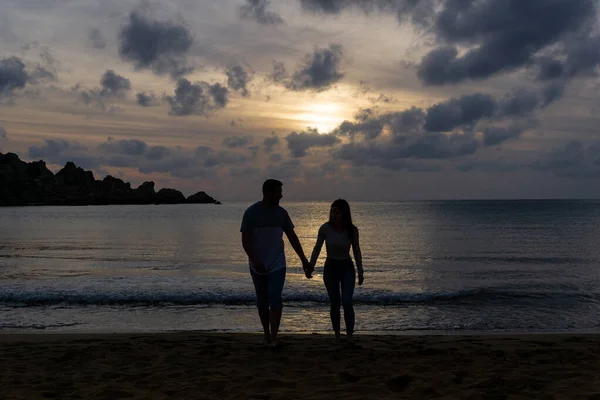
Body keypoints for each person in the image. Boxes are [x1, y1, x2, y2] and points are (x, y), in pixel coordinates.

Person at [241, 179, 314, 348]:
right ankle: (266, 334)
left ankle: (274, 337)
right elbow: (245, 241)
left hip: (277, 263)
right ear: (269, 193)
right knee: (261, 300)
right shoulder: (251, 213)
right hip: (257, 264)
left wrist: (304, 260)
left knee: (275, 298)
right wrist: (255, 259)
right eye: (278, 192)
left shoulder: (281, 213)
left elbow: (293, 238)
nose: (281, 195)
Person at [309, 199, 363, 344]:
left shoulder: (352, 230)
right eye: (332, 211)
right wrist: (311, 265)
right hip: (331, 267)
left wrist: (360, 271)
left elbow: (357, 251)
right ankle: (337, 335)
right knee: (335, 302)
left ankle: (350, 335)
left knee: (346, 301)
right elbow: (317, 248)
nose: (333, 215)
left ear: (344, 214)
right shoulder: (325, 228)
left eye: (337, 212)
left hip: (346, 267)